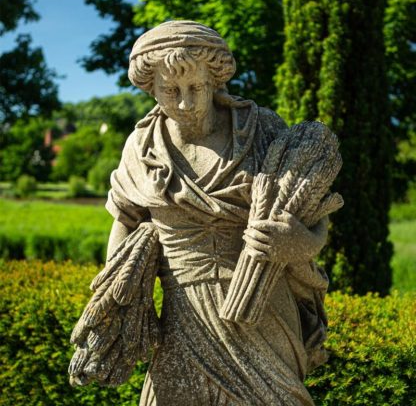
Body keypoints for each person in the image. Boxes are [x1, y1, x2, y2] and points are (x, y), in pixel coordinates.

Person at [106, 20, 329, 406]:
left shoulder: (261, 130)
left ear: (214, 81)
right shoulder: (141, 146)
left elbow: (314, 217)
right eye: (170, 91)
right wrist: (118, 296)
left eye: (196, 88)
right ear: (150, 88)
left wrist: (297, 243)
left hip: (262, 307)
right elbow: (125, 220)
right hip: (182, 316)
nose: (185, 103)